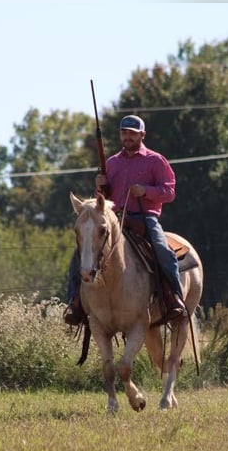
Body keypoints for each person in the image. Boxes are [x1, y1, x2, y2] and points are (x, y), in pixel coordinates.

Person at [64, 114, 187, 325]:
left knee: (162, 250)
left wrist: (145, 191)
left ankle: (173, 297)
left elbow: (170, 191)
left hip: (144, 217)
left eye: (132, 133)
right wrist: (100, 186)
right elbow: (103, 200)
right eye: (124, 133)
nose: (127, 137)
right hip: (113, 219)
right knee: (80, 254)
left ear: (142, 135)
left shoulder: (155, 160)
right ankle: (75, 304)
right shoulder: (111, 163)